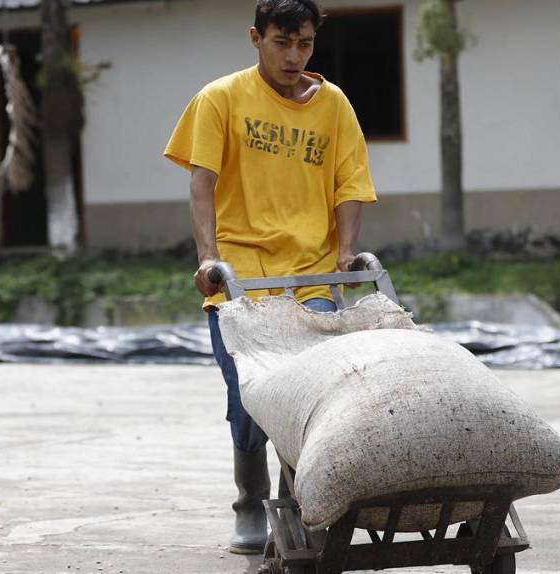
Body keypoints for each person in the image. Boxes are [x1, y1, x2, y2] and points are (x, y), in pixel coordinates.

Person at [163, 0, 377, 556]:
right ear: (256, 38)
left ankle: (295, 512)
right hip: (242, 278)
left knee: (310, 399)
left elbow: (350, 184)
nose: (293, 55)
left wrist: (348, 256)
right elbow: (202, 183)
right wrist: (208, 258)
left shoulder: (333, 105)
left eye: (304, 43)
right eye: (282, 42)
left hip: (311, 278)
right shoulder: (221, 99)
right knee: (249, 398)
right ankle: (249, 501)